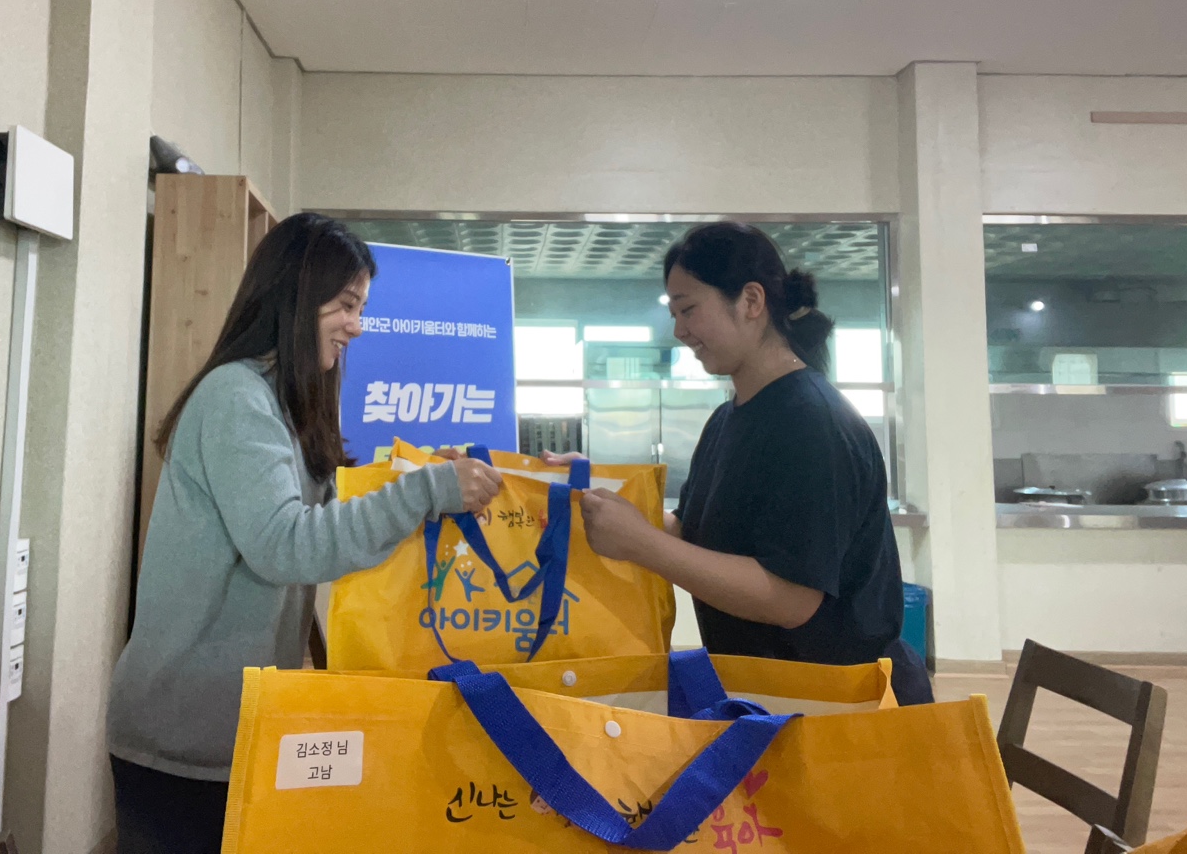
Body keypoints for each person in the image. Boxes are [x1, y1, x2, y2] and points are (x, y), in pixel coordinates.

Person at [106, 213, 501, 854]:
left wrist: (428, 481)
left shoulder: (283, 402)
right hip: (183, 741)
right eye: (346, 304)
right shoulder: (235, 397)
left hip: (238, 727)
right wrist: (429, 491)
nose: (357, 326)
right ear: (295, 295)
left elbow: (328, 525)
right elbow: (287, 544)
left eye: (361, 307)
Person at [561, 221, 933, 706]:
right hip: (765, 696)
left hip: (839, 707)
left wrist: (640, 544)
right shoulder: (728, 419)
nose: (679, 331)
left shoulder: (811, 423)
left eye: (689, 309)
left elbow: (791, 599)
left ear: (751, 301)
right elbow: (693, 533)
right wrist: (591, 491)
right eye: (674, 314)